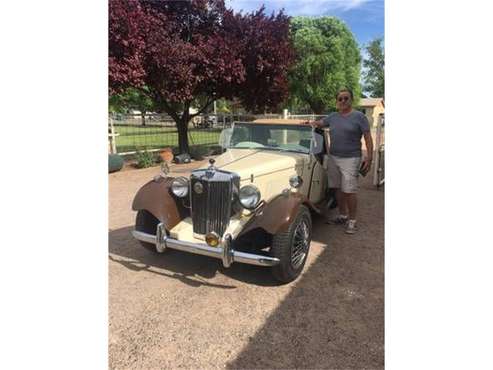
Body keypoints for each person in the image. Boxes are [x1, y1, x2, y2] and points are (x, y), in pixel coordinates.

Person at [306, 88, 374, 234]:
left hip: (351, 158)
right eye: (340, 99)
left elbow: (368, 137)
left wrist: (370, 156)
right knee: (337, 189)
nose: (343, 101)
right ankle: (342, 216)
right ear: (337, 101)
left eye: (346, 98)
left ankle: (352, 221)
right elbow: (320, 123)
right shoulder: (333, 116)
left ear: (351, 100)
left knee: (349, 190)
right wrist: (309, 123)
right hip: (334, 158)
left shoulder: (359, 117)